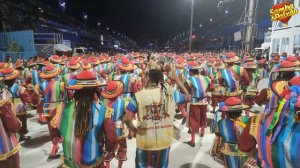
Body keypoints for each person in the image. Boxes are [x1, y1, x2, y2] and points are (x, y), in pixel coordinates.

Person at [124, 69, 190, 168]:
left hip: (145, 142)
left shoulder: (138, 96)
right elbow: (188, 97)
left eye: (145, 76)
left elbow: (127, 119)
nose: (143, 78)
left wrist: (134, 130)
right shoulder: (171, 94)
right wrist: (177, 80)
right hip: (164, 142)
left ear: (149, 79)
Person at [53, 70, 117, 168]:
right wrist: (110, 151)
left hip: (69, 163)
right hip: (93, 163)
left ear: (76, 90)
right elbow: (111, 139)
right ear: (95, 91)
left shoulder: (62, 109)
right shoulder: (103, 111)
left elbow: (56, 132)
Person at [37, 64, 64, 159]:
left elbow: (41, 99)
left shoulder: (41, 85)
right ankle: (53, 150)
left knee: (51, 129)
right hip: (56, 108)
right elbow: (63, 96)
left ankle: (55, 146)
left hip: (46, 108)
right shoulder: (59, 84)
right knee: (59, 128)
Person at [185, 61, 213, 147]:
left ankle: (193, 140)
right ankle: (203, 131)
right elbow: (211, 88)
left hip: (194, 102)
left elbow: (187, 91)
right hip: (204, 102)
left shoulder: (189, 80)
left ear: (191, 71)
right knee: (203, 116)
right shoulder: (207, 78)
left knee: (193, 119)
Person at [101, 81, 128, 168]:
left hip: (108, 132)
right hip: (120, 131)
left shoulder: (103, 104)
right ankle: (119, 167)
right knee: (122, 149)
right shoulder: (124, 103)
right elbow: (127, 117)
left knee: (108, 150)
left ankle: (108, 166)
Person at [215, 97, 249, 168]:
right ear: (240, 111)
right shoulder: (246, 120)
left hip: (227, 153)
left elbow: (219, 139)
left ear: (227, 112)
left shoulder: (221, 123)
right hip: (244, 153)